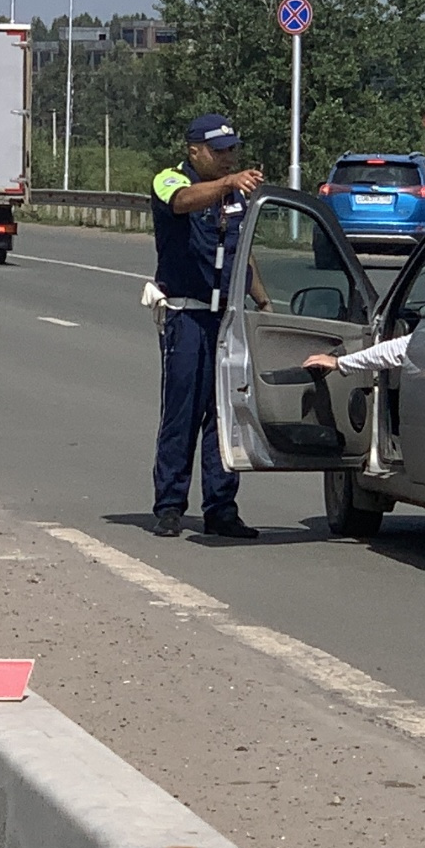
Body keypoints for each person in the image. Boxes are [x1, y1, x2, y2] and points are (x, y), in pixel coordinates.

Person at [150, 113, 267, 539]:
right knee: (183, 412)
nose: (226, 158)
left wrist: (264, 303)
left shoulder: (236, 197)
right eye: (218, 152)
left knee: (225, 416)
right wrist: (226, 183)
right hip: (186, 314)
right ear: (193, 150)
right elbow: (180, 202)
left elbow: (242, 253)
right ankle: (169, 506)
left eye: (231, 151)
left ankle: (221, 507)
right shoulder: (170, 180)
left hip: (226, 317)